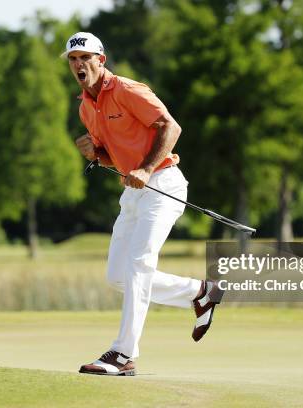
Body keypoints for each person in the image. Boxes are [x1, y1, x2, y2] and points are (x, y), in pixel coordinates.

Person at [64, 32, 222, 376]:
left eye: (85, 58)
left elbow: (171, 126)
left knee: (138, 266)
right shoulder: (85, 108)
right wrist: (96, 153)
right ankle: (200, 292)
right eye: (73, 60)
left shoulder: (127, 90)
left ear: (100, 61)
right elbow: (111, 156)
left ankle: (123, 355)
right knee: (118, 275)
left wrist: (147, 169)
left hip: (163, 183)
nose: (79, 65)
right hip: (133, 192)